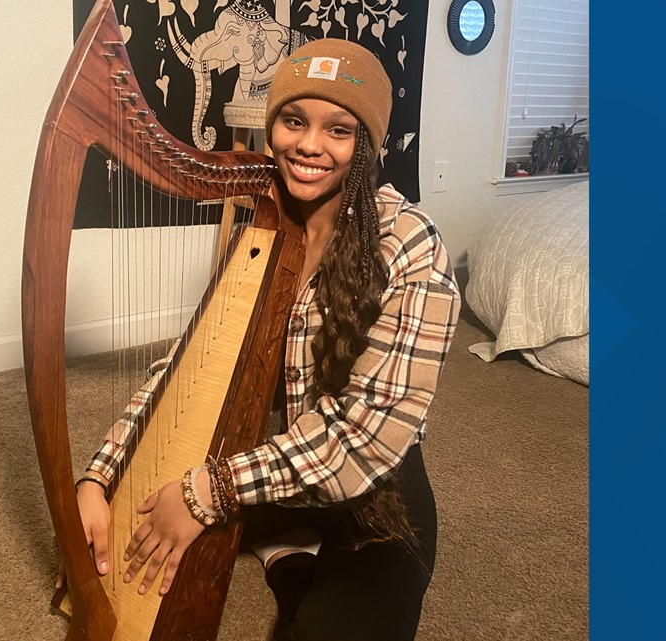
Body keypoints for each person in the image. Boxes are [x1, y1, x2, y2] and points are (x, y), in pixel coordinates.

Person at [69, 38, 461, 641]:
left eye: (339, 129)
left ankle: (291, 559)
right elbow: (181, 367)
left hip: (375, 493)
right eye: (294, 121)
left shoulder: (411, 244)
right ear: (270, 125)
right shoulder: (265, 226)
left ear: (367, 146)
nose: (308, 145)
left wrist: (208, 492)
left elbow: (366, 436)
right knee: (119, 539)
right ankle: (290, 543)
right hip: (277, 465)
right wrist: (100, 475)